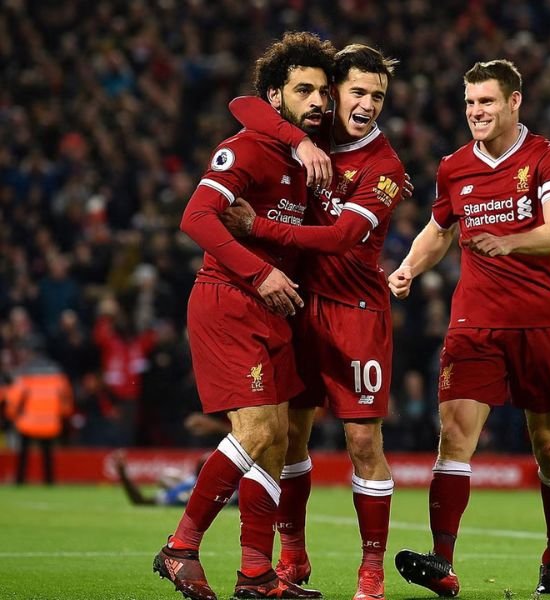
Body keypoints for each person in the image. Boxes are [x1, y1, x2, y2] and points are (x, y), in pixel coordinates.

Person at [153, 31, 334, 600]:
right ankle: (180, 548)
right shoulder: (247, 147)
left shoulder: (304, 156)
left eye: (322, 92)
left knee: (276, 442)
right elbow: (197, 216)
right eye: (303, 90)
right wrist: (258, 272)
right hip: (231, 300)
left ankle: (255, 575)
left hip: (275, 308)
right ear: (276, 97)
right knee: (257, 433)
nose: (318, 103)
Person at [388, 59, 550, 597]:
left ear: (514, 102)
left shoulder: (547, 156)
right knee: (454, 436)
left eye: (487, 102)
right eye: (470, 102)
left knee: (547, 444)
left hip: (540, 322)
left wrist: (510, 241)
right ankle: (442, 563)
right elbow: (438, 229)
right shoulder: (454, 166)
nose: (476, 111)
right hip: (474, 322)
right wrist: (406, 267)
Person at [223, 44, 406, 600]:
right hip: (300, 308)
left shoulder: (386, 167)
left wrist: (259, 228)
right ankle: (293, 556)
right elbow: (244, 106)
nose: (367, 104)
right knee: (292, 437)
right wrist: (300, 139)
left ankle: (370, 571)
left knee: (362, 440)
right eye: (356, 92)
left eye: (378, 95)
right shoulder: (314, 137)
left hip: (356, 314)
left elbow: (341, 238)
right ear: (333, 95)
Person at [3, 338, 73, 485]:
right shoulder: (56, 371)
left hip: (28, 421)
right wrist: (63, 415)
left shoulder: (25, 372)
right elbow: (65, 397)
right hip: (50, 422)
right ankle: (49, 482)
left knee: (23, 455)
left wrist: (11, 415)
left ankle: (20, 481)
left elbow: (14, 398)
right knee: (48, 455)